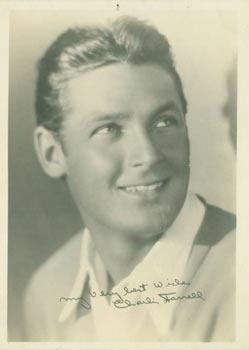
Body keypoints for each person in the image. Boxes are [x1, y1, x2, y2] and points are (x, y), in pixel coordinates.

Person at [24, 16, 235, 342]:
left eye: (164, 122)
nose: (148, 155)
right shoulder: (49, 293)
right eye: (109, 129)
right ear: (53, 154)